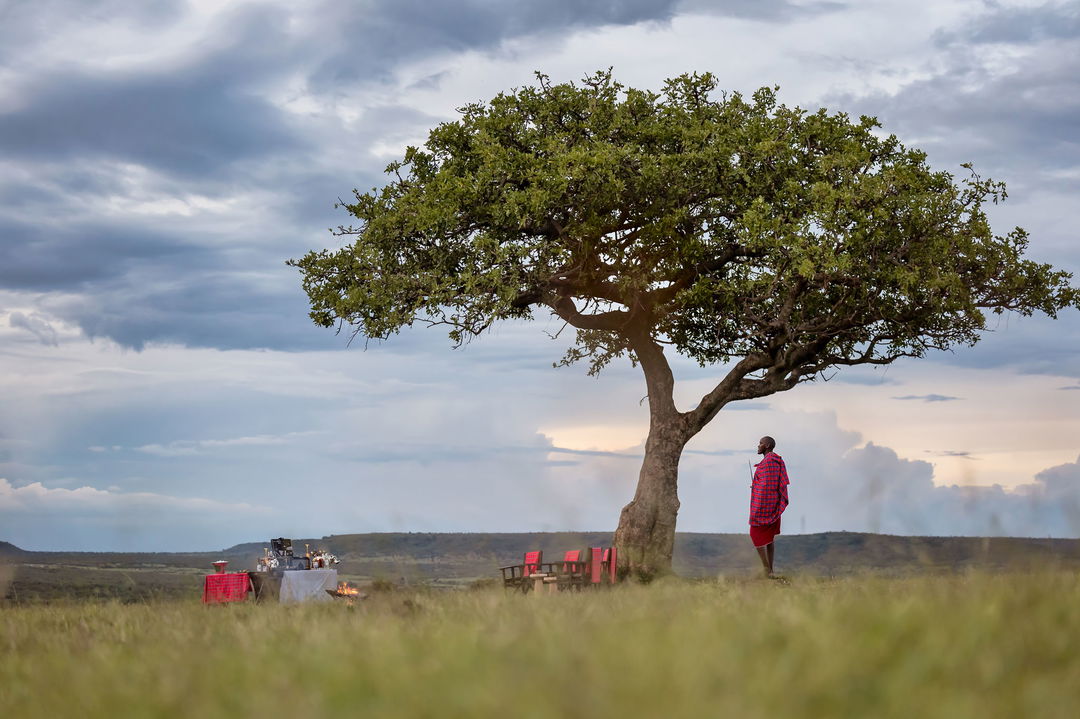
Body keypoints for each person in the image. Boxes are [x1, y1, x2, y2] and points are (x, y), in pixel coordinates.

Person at [749, 436, 789, 579]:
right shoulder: (775, 461)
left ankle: (767, 570)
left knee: (755, 534)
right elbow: (768, 484)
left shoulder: (769, 462)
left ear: (766, 445)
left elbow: (766, 486)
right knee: (769, 539)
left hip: (764, 507)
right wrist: (756, 486)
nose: (758, 445)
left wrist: (757, 487)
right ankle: (770, 571)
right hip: (774, 506)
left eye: (760, 443)